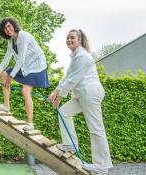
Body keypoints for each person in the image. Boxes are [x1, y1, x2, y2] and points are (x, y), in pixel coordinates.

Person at [47, 29, 113, 174]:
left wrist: (59, 97)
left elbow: (72, 80)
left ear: (80, 40)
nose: (69, 40)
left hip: (90, 93)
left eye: (72, 38)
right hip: (81, 94)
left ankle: (102, 166)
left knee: (96, 128)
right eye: (67, 38)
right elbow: (66, 77)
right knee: (64, 112)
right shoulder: (75, 56)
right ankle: (70, 145)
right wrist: (55, 92)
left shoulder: (82, 56)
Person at [0, 17, 49, 131]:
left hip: (36, 66)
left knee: (25, 91)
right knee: (3, 74)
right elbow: (6, 60)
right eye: (5, 28)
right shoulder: (10, 41)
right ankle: (6, 105)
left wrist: (11, 77)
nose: (8, 29)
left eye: (9, 26)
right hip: (25, 66)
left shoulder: (23, 36)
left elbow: (20, 59)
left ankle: (30, 123)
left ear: (14, 26)